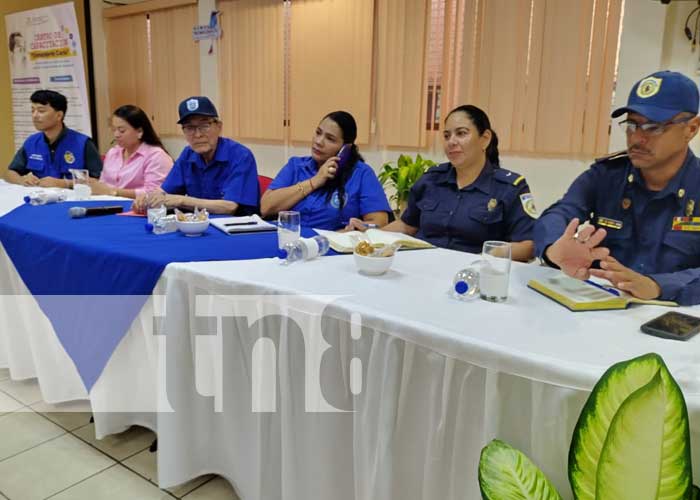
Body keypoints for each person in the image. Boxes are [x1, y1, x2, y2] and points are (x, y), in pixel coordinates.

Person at [534, 70, 700, 306]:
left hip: (675, 319)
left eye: (653, 127)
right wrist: (553, 250)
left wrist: (656, 285)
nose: (636, 138)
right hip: (603, 309)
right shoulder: (607, 175)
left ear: (691, 129)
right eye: (632, 125)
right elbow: (560, 212)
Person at [376, 105, 536, 262]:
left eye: (461, 133)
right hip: (422, 266)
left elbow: (529, 245)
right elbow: (407, 225)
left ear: (485, 139)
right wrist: (369, 237)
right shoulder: (431, 179)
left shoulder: (509, 187)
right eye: (446, 136)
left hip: (473, 273)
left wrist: (492, 254)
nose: (451, 142)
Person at [261, 111, 390, 230]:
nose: (318, 141)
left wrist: (354, 231)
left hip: (331, 247)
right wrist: (314, 182)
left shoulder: (361, 174)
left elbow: (379, 222)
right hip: (289, 240)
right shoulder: (296, 166)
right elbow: (266, 208)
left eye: (330, 139)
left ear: (345, 149)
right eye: (318, 132)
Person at [132, 96, 259, 215]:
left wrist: (182, 201)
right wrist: (148, 197)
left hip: (237, 230)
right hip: (200, 225)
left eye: (204, 126)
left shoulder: (240, 155)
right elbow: (164, 191)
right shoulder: (188, 154)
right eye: (189, 128)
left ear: (219, 127)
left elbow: (230, 207)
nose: (197, 135)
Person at [5, 90, 102, 187]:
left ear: (59, 115)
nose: (35, 116)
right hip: (40, 198)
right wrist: (22, 180)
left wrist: (64, 183)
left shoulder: (83, 143)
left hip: (74, 199)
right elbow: (10, 173)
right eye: (33, 110)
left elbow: (99, 180)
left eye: (41, 111)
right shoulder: (32, 142)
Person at [88, 105, 173, 198]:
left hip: (138, 209)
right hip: (107, 205)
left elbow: (155, 193)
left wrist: (113, 192)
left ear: (140, 131)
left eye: (122, 131)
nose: (116, 135)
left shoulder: (156, 156)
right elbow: (103, 184)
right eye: (113, 130)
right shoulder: (113, 153)